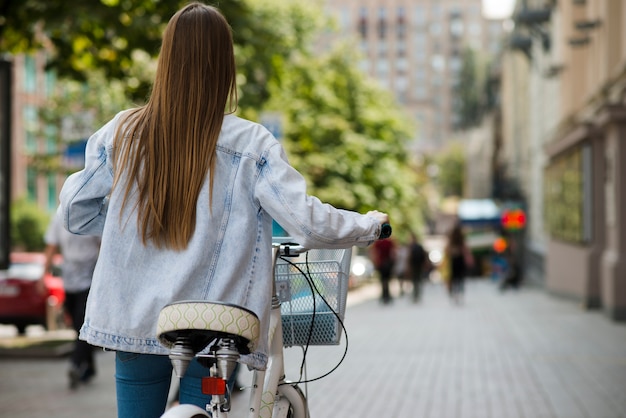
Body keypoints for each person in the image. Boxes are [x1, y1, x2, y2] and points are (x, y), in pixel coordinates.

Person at [57, 4, 389, 417]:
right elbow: (307, 220)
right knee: (209, 405)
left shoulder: (122, 132)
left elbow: (74, 210)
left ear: (166, 61)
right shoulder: (251, 143)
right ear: (225, 66)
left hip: (133, 317)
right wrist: (369, 226)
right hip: (213, 326)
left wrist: (131, 224)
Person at [39, 211, 101, 389]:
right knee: (76, 325)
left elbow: (103, 246)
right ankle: (88, 367)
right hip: (69, 281)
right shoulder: (59, 218)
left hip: (89, 279)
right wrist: (43, 275)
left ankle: (75, 364)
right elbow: (51, 246)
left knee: (83, 323)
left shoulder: (94, 215)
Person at [444, 223, 474, 303]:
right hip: (460, 261)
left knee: (454, 279)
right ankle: (460, 293)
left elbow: (447, 250)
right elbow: (466, 250)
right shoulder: (461, 240)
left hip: (453, 261)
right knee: (461, 279)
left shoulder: (452, 240)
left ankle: (455, 294)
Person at [370, 237, 396, 304]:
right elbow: (393, 253)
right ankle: (387, 295)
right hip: (387, 263)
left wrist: (375, 263)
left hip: (381, 263)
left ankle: (384, 296)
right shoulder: (389, 241)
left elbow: (374, 253)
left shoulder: (378, 242)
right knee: (387, 281)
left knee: (383, 281)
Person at [406, 232, 426, 303]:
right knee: (418, 280)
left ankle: (415, 295)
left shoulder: (411, 247)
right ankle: (417, 295)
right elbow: (424, 256)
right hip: (418, 266)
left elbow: (409, 257)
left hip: (414, 266)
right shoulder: (419, 246)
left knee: (415, 281)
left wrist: (408, 266)